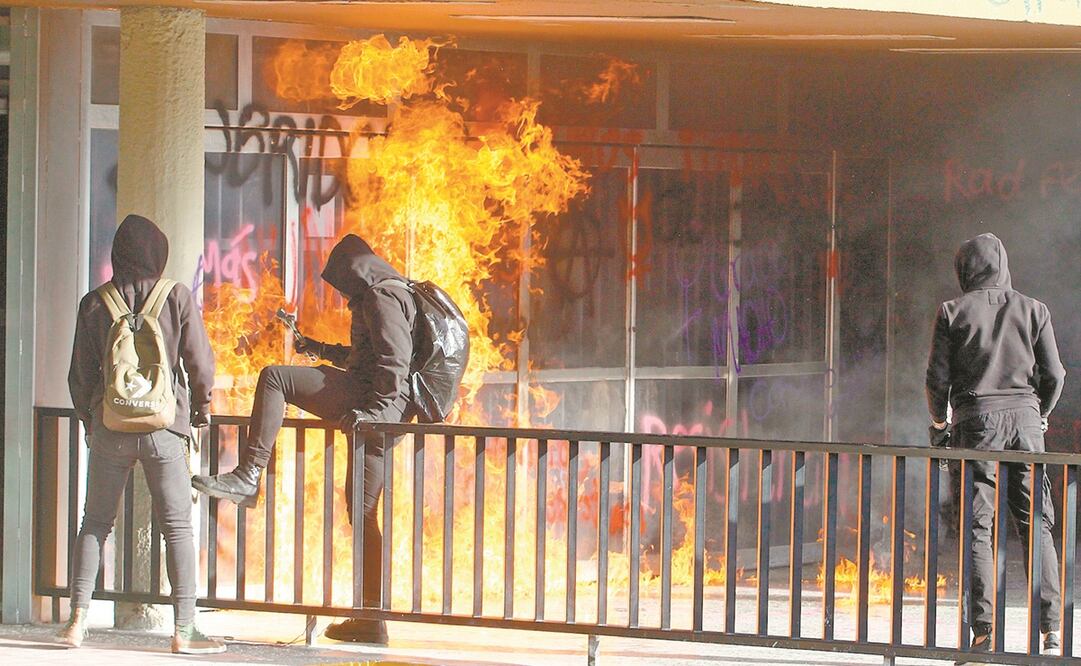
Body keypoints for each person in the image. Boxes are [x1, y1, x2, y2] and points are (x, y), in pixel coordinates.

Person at [192, 234, 415, 644]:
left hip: (373, 409)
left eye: (342, 284)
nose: (343, 295)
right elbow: (368, 357)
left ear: (354, 272)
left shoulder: (381, 296)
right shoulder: (386, 292)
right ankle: (372, 619)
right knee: (363, 514)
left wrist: (375, 414)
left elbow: (395, 362)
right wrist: (319, 348)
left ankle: (248, 475)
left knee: (275, 378)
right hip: (379, 414)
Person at [61, 214, 223, 654]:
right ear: (158, 252)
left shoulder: (94, 302)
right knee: (177, 528)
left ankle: (76, 620)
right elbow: (200, 364)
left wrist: (92, 422)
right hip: (164, 428)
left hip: (110, 426)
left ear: (118, 253)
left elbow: (79, 375)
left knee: (95, 523)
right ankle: (184, 630)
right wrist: (201, 410)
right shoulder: (177, 296)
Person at [926, 232, 1066, 661]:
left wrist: (939, 423)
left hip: (975, 424)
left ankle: (983, 633)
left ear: (965, 268)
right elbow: (1055, 374)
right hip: (1026, 423)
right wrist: (1040, 414)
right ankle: (1052, 631)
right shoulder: (1034, 309)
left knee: (978, 528)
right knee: (1036, 523)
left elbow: (936, 379)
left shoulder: (952, 311)